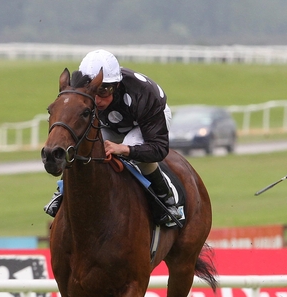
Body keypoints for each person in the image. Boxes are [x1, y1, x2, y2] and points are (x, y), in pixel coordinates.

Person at [43, 49, 183, 227]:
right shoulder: (84, 96)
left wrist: (124, 149)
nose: (98, 98)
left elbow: (159, 149)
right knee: (83, 146)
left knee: (133, 151)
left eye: (105, 90)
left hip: (144, 123)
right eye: (94, 90)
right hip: (112, 123)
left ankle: (167, 199)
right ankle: (62, 191)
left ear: (117, 85)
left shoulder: (144, 94)